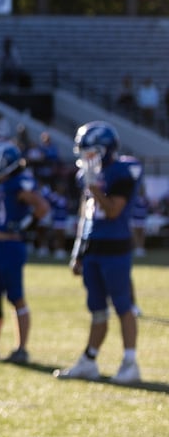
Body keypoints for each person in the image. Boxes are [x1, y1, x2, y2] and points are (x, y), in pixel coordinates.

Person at [56, 121, 145, 384]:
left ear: (105, 150)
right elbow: (87, 214)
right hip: (94, 247)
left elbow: (114, 209)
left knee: (122, 306)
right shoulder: (86, 174)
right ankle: (90, 360)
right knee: (96, 308)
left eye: (91, 151)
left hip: (116, 247)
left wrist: (95, 189)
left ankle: (130, 363)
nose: (86, 157)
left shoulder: (122, 171)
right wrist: (79, 250)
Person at [0, 139, 49, 364]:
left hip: (11, 245)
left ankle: (21, 348)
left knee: (16, 297)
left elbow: (42, 207)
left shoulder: (18, 183)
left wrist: (26, 225)